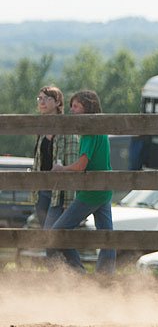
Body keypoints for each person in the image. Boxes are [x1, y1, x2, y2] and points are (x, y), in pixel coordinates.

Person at [47, 90, 115, 274]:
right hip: (104, 189)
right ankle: (106, 276)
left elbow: (81, 165)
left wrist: (62, 169)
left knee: (58, 232)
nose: (72, 110)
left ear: (88, 108)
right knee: (106, 236)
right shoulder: (100, 128)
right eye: (71, 106)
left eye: (76, 106)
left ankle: (78, 272)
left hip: (91, 192)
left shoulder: (89, 132)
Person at [32, 86, 79, 228]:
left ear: (58, 103)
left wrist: (69, 201)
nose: (42, 102)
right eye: (40, 98)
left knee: (51, 236)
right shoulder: (40, 128)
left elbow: (72, 163)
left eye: (48, 98)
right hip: (42, 191)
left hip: (59, 192)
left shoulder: (67, 129)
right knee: (54, 241)